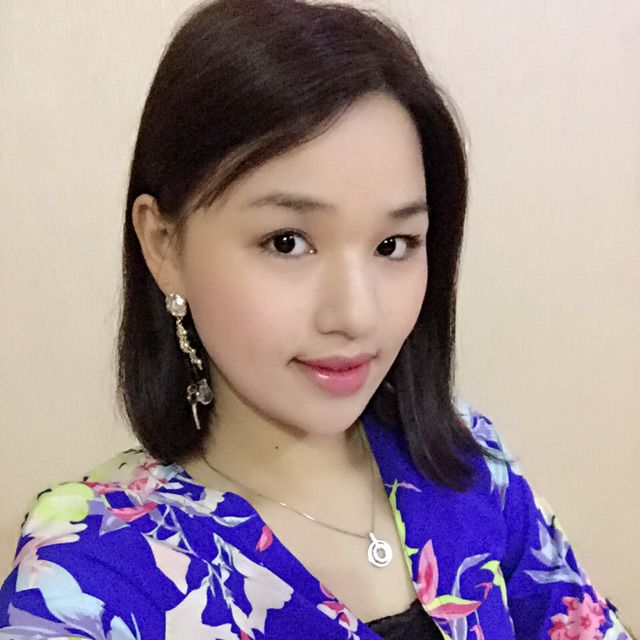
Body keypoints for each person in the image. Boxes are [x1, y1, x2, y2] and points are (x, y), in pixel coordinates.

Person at [0, 0, 634, 638]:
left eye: (393, 244)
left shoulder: (468, 465)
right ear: (164, 245)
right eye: (287, 242)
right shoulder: (89, 578)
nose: (356, 314)